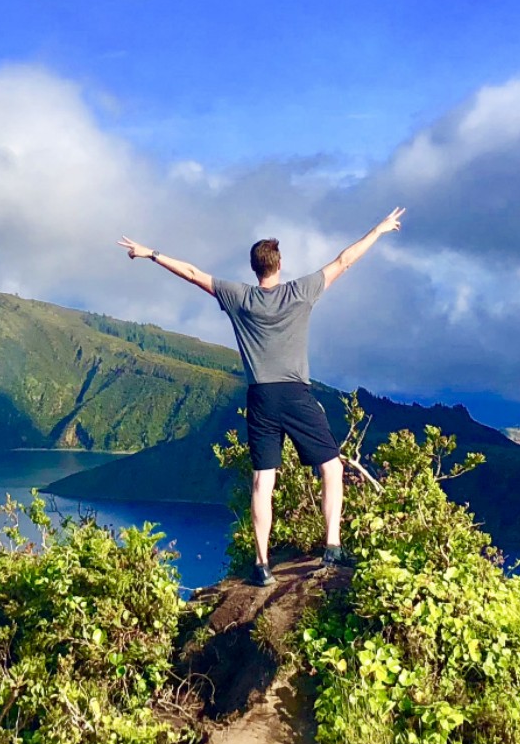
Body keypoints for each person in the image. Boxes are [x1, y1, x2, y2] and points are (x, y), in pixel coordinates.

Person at [118, 207, 405, 586]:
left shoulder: (239, 297)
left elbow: (191, 273)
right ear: (279, 264)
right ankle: (332, 548)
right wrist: (381, 229)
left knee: (261, 481)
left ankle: (261, 565)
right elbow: (345, 261)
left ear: (254, 268)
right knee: (331, 468)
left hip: (261, 399)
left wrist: (150, 253)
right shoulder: (301, 292)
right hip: (296, 394)